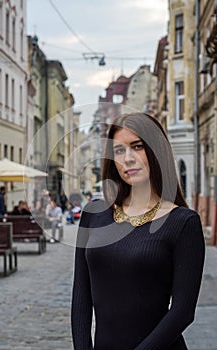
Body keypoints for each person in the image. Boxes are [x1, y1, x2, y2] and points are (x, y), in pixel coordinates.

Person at [71, 112, 205, 350]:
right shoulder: (93, 215)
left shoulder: (183, 222)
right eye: (119, 151)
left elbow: (182, 313)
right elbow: (81, 299)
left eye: (138, 147)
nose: (128, 158)